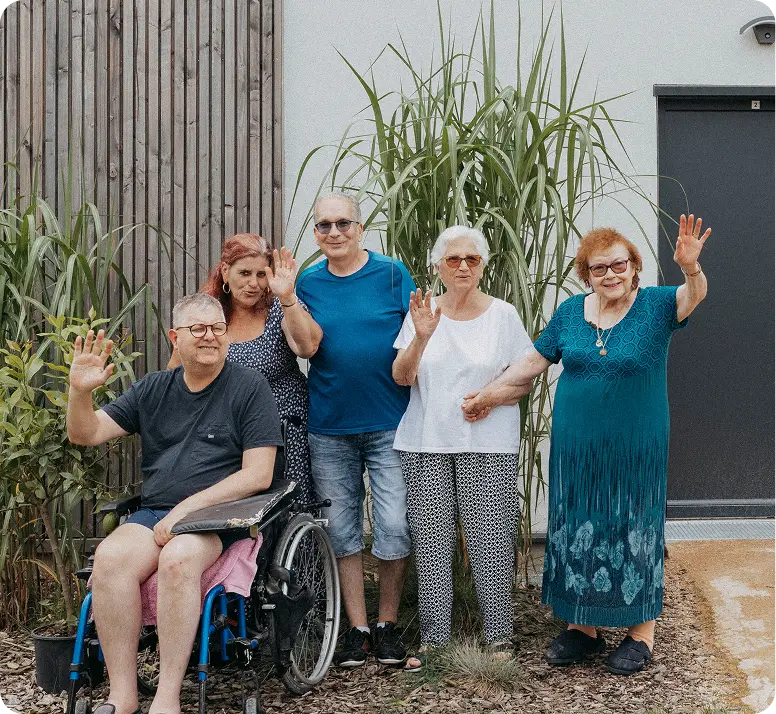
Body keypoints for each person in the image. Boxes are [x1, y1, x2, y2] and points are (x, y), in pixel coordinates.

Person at [462, 215, 711, 675]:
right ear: (586, 275)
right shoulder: (570, 314)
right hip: (576, 446)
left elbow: (692, 297)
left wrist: (690, 268)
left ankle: (640, 633)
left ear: (635, 267)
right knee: (577, 522)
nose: (611, 274)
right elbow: (531, 364)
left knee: (633, 523)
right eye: (599, 269)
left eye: (619, 265)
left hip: (635, 444)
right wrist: (486, 396)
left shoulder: (656, 305)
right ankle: (583, 628)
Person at [68, 293, 283, 714]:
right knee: (110, 558)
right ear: (174, 337)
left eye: (218, 328)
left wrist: (186, 510)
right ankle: (123, 696)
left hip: (220, 517)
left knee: (179, 558)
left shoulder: (249, 387)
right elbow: (85, 433)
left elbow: (258, 474)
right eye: (198, 328)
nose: (210, 337)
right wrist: (79, 394)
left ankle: (167, 698)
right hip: (156, 513)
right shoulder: (153, 388)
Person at [391, 226, 534, 670]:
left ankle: (499, 639)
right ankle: (434, 639)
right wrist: (420, 336)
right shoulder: (423, 312)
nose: (463, 267)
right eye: (453, 260)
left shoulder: (503, 315)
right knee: (431, 541)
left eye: (472, 259)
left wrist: (490, 396)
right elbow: (401, 376)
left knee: (490, 538)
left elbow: (526, 377)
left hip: (488, 444)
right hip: (425, 442)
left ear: (483, 266)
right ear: (439, 267)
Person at [295, 192, 416, 667]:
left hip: (390, 423)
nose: (334, 233)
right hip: (328, 428)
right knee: (342, 532)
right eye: (324, 226)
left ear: (361, 228)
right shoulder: (308, 282)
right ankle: (357, 629)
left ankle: (387, 625)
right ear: (316, 234)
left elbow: (418, 339)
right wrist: (288, 298)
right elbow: (305, 347)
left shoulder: (391, 274)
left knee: (394, 526)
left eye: (343, 223)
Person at [168, 234, 322, 502]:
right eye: (245, 273)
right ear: (226, 272)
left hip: (284, 426)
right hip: (225, 429)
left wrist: (287, 297)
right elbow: (176, 372)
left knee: (287, 506)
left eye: (261, 274)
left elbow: (307, 347)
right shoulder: (206, 314)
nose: (254, 283)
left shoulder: (279, 307)